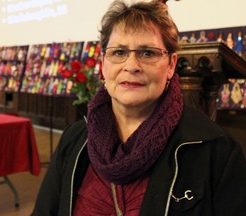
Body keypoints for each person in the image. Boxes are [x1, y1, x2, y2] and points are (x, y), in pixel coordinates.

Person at [31, 0, 246, 215]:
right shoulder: (74, 140)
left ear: (171, 65)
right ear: (103, 64)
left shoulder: (216, 151)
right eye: (119, 52)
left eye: (148, 53)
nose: (132, 66)